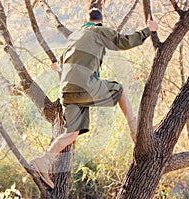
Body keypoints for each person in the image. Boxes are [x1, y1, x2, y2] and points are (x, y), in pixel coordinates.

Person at [30, 8, 158, 189]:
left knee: (71, 133)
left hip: (66, 92)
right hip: (84, 87)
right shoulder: (98, 30)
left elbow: (62, 63)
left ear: (85, 19)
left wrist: (57, 69)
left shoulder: (74, 37)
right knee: (119, 90)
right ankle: (134, 131)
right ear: (100, 21)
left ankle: (43, 161)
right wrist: (147, 30)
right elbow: (124, 41)